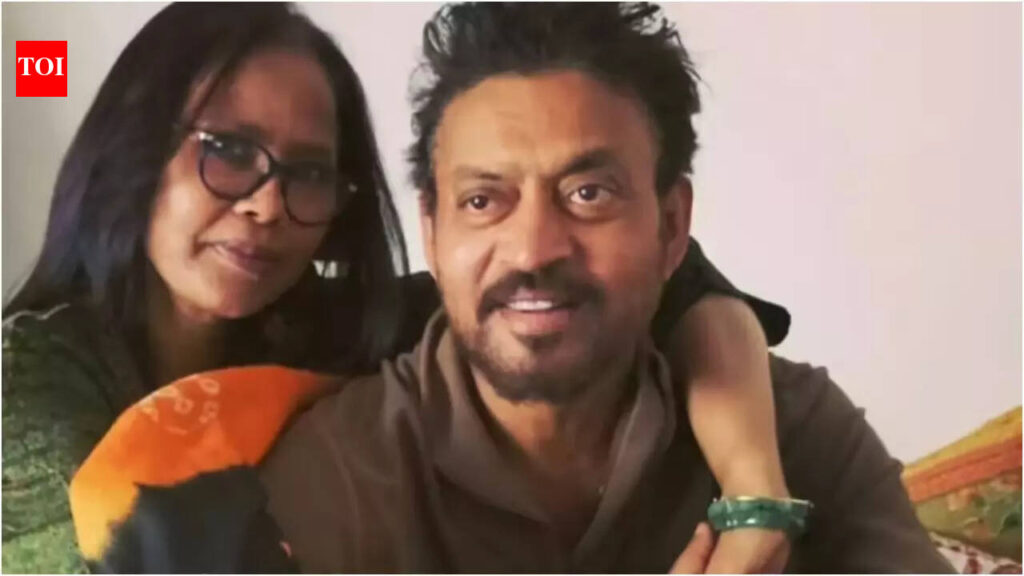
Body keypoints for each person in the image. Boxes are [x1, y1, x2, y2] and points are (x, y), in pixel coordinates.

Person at [6, 2, 794, 573]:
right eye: (229, 150)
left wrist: (756, 491)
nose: (267, 204)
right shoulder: (27, 381)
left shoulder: (349, 332)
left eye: (309, 172)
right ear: (135, 144)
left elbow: (675, 282)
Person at [247, 3, 949, 571]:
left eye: (588, 193)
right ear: (431, 232)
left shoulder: (798, 433)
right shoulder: (334, 479)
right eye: (483, 201)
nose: (532, 249)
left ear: (672, 226)